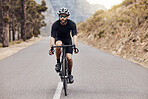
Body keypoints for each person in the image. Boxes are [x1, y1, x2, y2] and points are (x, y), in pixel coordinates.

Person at [49, 7, 79, 83]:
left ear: (67, 17)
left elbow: (74, 36)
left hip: (68, 40)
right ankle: (58, 63)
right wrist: (52, 48)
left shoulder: (72, 24)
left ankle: (69, 74)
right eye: (61, 16)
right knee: (58, 44)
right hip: (59, 39)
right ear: (59, 16)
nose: (62, 18)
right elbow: (52, 37)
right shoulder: (55, 24)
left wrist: (75, 46)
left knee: (69, 58)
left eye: (64, 16)